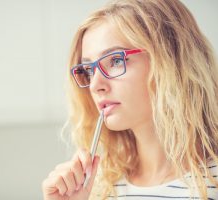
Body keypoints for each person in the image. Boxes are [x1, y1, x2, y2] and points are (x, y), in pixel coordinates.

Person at [42, 0, 218, 199]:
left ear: (169, 60)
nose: (95, 85)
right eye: (89, 70)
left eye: (116, 60)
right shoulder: (97, 189)